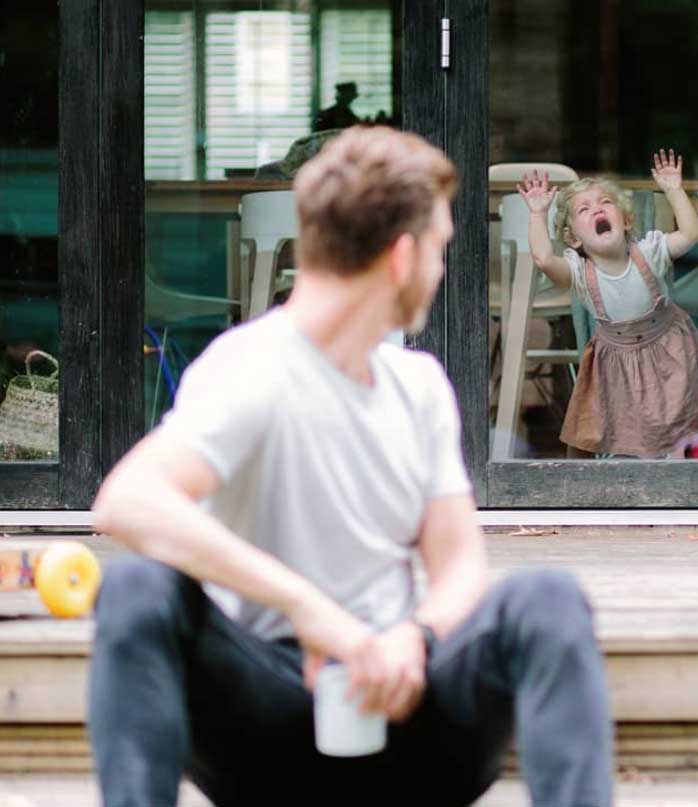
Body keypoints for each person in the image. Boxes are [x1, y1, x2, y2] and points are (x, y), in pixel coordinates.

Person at [89, 127, 613, 807]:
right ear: (402, 257)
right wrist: (311, 611)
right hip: (270, 725)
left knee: (548, 598)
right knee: (136, 588)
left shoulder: (418, 385)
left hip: (407, 713)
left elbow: (459, 564)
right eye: (440, 249)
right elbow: (127, 501)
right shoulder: (248, 368)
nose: (442, 270)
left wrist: (413, 637)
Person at [518, 150, 698, 459]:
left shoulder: (649, 251)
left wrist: (674, 190)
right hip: (614, 361)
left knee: (676, 428)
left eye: (605, 202)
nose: (597, 209)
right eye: (584, 208)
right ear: (573, 239)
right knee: (604, 430)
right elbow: (544, 259)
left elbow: (691, 234)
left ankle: (678, 477)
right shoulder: (578, 272)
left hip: (666, 352)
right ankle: (588, 481)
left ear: (625, 221)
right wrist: (537, 214)